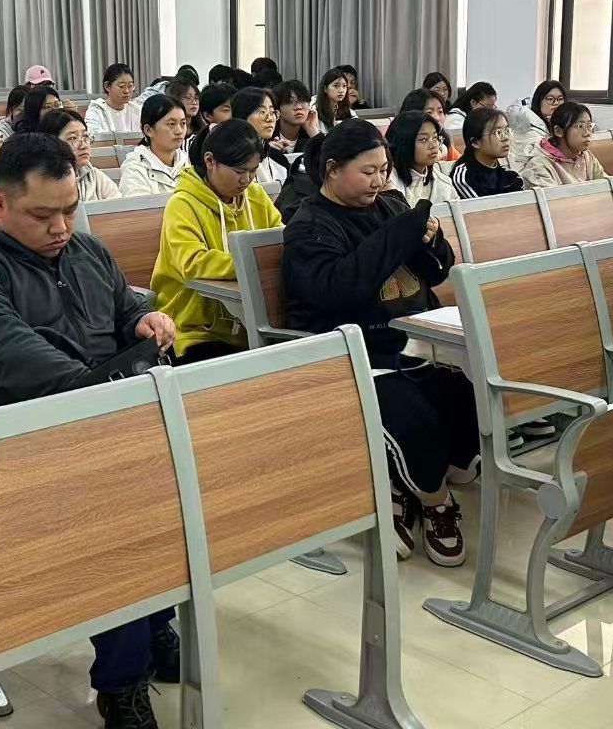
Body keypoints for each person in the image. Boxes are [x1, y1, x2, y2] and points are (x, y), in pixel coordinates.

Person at [0, 134, 179, 729]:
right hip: (18, 440)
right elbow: (24, 361)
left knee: (178, 479)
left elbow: (123, 312)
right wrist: (113, 388)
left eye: (70, 210)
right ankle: (122, 680)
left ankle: (153, 622)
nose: (61, 227)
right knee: (117, 510)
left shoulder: (88, 251)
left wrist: (144, 323)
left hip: (107, 420)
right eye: (43, 215)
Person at [282, 120, 472, 565]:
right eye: (368, 172)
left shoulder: (389, 206)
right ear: (333, 169)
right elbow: (339, 290)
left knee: (468, 392)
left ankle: (402, 487)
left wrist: (431, 241)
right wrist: (400, 233)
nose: (379, 181)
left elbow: (437, 272)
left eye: (384, 170)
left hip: (416, 340)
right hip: (354, 352)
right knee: (414, 414)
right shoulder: (309, 226)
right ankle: (436, 501)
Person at [150, 121, 282, 363]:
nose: (247, 180)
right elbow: (193, 263)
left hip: (252, 321)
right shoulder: (182, 204)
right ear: (210, 161)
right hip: (194, 328)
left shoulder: (255, 196)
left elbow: (279, 241)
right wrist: (252, 263)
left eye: (253, 170)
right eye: (239, 171)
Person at [39, 108, 120, 204]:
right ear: (51, 143)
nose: (84, 146)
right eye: (72, 138)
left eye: (85, 136)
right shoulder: (39, 183)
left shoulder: (95, 176)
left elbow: (120, 208)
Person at [519, 102, 606, 189]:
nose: (587, 133)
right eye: (580, 126)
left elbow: (606, 185)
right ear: (558, 131)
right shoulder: (538, 166)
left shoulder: (587, 157)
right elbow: (552, 197)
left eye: (589, 126)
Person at [118, 95, 191, 196]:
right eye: (171, 124)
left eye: (183, 123)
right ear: (148, 130)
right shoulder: (135, 170)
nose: (179, 131)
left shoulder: (188, 161)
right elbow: (139, 205)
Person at [450, 107, 524, 199]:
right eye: (498, 132)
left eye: (506, 131)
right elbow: (485, 207)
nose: (505, 138)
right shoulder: (464, 177)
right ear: (475, 142)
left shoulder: (511, 176)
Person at [385, 110, 452, 210]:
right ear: (404, 143)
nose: (434, 145)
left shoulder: (443, 183)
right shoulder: (387, 181)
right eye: (424, 139)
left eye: (435, 138)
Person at [230, 87, 291, 187]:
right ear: (242, 115)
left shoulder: (277, 158)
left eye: (272, 112)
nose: (270, 119)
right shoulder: (229, 159)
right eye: (262, 112)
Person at [507, 80, 567, 169]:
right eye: (550, 99)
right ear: (538, 101)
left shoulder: (554, 123)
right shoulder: (525, 127)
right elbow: (552, 154)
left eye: (560, 99)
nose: (556, 103)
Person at [86, 63, 141, 137]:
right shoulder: (96, 111)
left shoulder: (136, 110)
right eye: (121, 86)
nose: (126, 91)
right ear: (107, 86)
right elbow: (95, 139)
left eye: (130, 86)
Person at [273, 80, 320, 151]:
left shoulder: (310, 136)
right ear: (277, 108)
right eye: (291, 102)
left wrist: (312, 130)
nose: (299, 107)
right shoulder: (267, 138)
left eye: (303, 101)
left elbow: (327, 156)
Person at [316, 67, 354, 132]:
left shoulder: (348, 111)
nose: (341, 90)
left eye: (344, 86)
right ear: (325, 88)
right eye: (336, 86)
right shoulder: (314, 108)